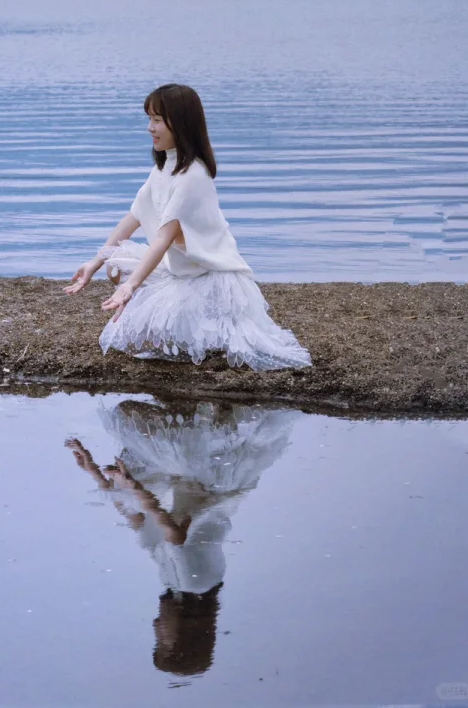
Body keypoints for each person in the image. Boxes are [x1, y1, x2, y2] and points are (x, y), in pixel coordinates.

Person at [64, 83, 311, 371]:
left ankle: (204, 326)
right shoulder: (164, 168)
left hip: (207, 278)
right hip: (176, 271)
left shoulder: (193, 175)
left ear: (179, 123)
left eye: (157, 120)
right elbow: (132, 219)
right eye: (149, 119)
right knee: (114, 265)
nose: (149, 128)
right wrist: (94, 263)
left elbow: (163, 238)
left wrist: (131, 287)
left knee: (141, 339)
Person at [67, 398, 297, 676]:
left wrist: (94, 472)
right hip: (211, 481)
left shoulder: (174, 585)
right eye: (164, 640)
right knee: (141, 429)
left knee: (128, 417)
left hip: (187, 479)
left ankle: (192, 416)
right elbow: (176, 532)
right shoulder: (198, 583)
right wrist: (134, 486)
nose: (157, 629)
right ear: (186, 633)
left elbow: (140, 524)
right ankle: (203, 419)